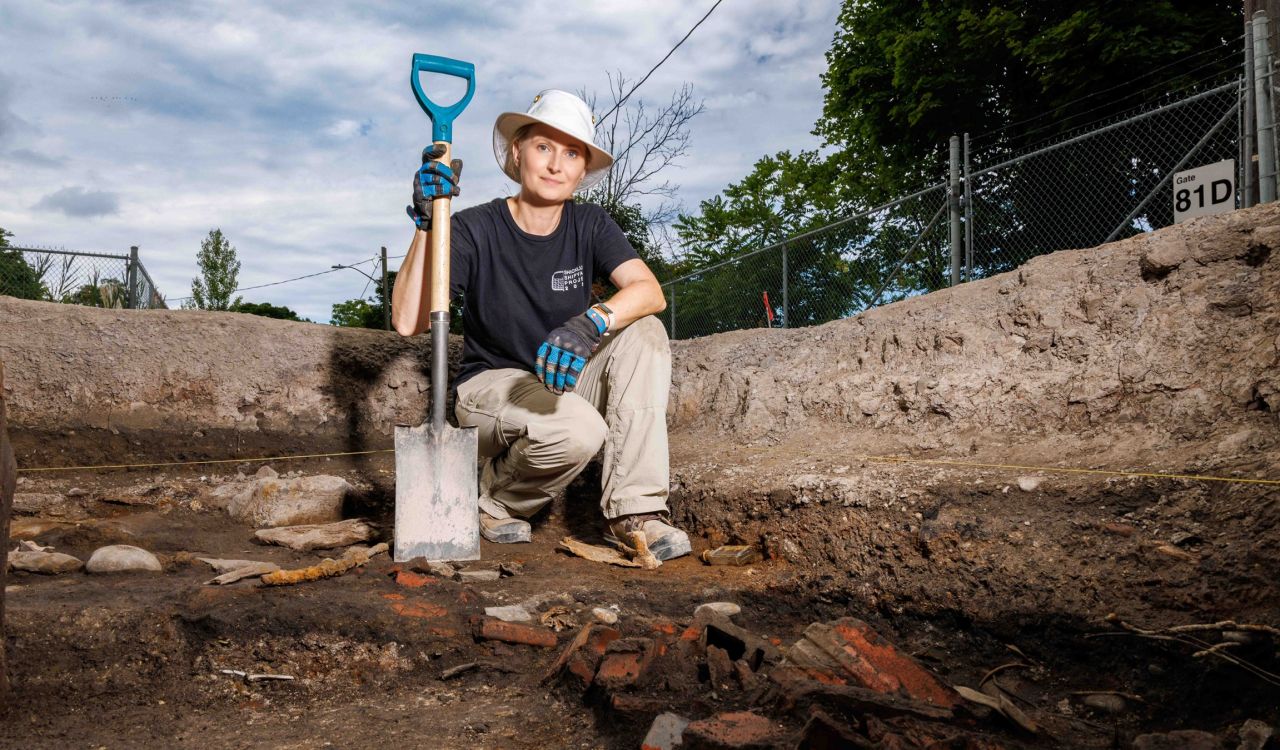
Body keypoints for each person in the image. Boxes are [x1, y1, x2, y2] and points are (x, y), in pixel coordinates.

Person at [391, 89, 691, 562]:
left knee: (646, 332)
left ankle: (636, 512)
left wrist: (593, 321)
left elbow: (648, 291)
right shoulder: (474, 228)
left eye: (571, 153)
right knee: (578, 431)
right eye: (544, 147)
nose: (556, 164)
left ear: (583, 168)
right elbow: (407, 319)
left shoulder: (590, 223)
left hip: (560, 382)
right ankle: (492, 498)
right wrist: (427, 226)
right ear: (518, 152)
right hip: (494, 388)